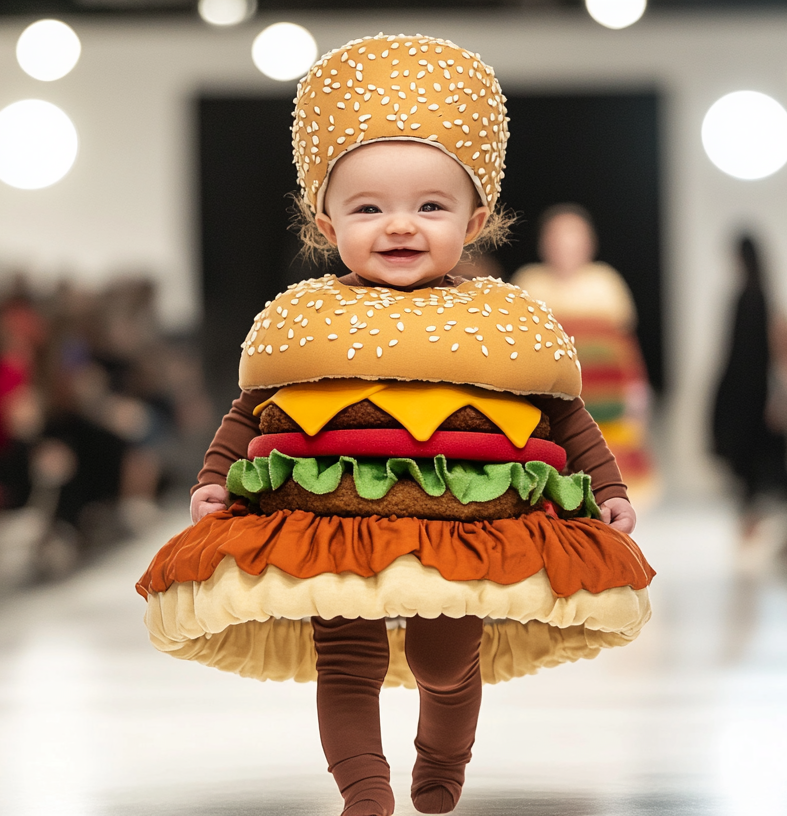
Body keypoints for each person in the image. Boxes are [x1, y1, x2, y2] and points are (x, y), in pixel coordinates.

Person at [136, 35, 653, 816]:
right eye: (368, 208)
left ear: (476, 218)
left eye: (430, 206)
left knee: (447, 659)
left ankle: (441, 766)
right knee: (346, 659)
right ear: (324, 219)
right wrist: (214, 479)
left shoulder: (513, 321)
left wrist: (606, 486)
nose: (399, 226)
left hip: (470, 524)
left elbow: (563, 411)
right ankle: (363, 792)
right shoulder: (297, 321)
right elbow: (251, 409)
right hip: (332, 518)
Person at [513, 205, 656, 491]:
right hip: (550, 405)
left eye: (574, 240)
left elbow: (625, 345)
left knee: (611, 483)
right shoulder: (529, 283)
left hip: (608, 405)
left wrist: (637, 390)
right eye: (558, 240)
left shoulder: (605, 282)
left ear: (588, 244)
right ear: (545, 244)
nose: (566, 248)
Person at [710, 233, 787, 535]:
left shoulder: (747, 296)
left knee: (743, 448)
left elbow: (739, 347)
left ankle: (750, 513)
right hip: (752, 385)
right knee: (749, 449)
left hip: (742, 385)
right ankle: (751, 511)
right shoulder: (762, 294)